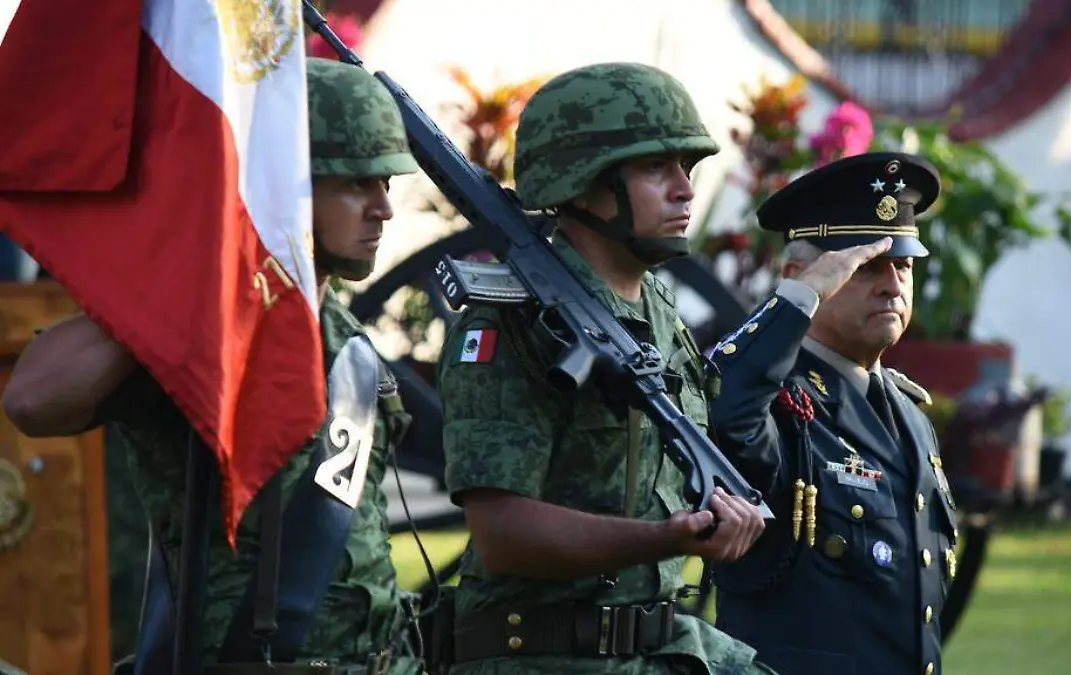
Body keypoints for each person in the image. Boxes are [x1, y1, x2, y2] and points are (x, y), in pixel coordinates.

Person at [1, 58, 428, 675]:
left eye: (385, 181)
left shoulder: (341, 329)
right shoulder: (198, 318)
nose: (383, 208)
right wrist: (187, 289)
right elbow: (33, 399)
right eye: (357, 183)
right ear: (286, 183)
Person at [435, 62, 776, 675]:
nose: (685, 190)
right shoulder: (510, 322)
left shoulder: (660, 310)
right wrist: (666, 537)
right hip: (541, 660)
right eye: (655, 168)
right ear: (583, 182)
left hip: (656, 650)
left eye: (687, 169)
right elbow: (501, 532)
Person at [707, 152, 959, 675]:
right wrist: (796, 301)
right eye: (865, 266)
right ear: (801, 275)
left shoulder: (911, 417)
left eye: (904, 265)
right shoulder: (771, 399)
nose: (892, 284)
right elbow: (723, 408)